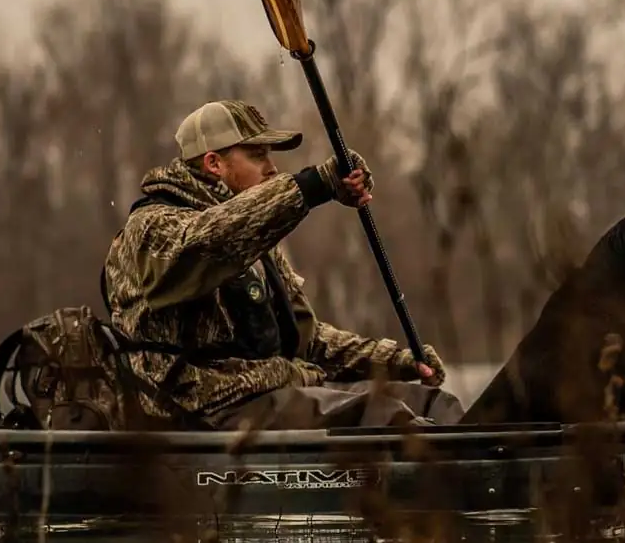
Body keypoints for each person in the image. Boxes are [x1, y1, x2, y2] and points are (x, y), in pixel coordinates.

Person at [101, 99, 463, 431]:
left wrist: (397, 360)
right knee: (385, 418)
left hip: (270, 394)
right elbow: (211, 240)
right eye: (257, 155)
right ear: (214, 164)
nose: (272, 168)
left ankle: (471, 467)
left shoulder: (256, 241)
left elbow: (307, 339)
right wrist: (313, 185)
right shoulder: (152, 227)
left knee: (431, 405)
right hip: (196, 411)